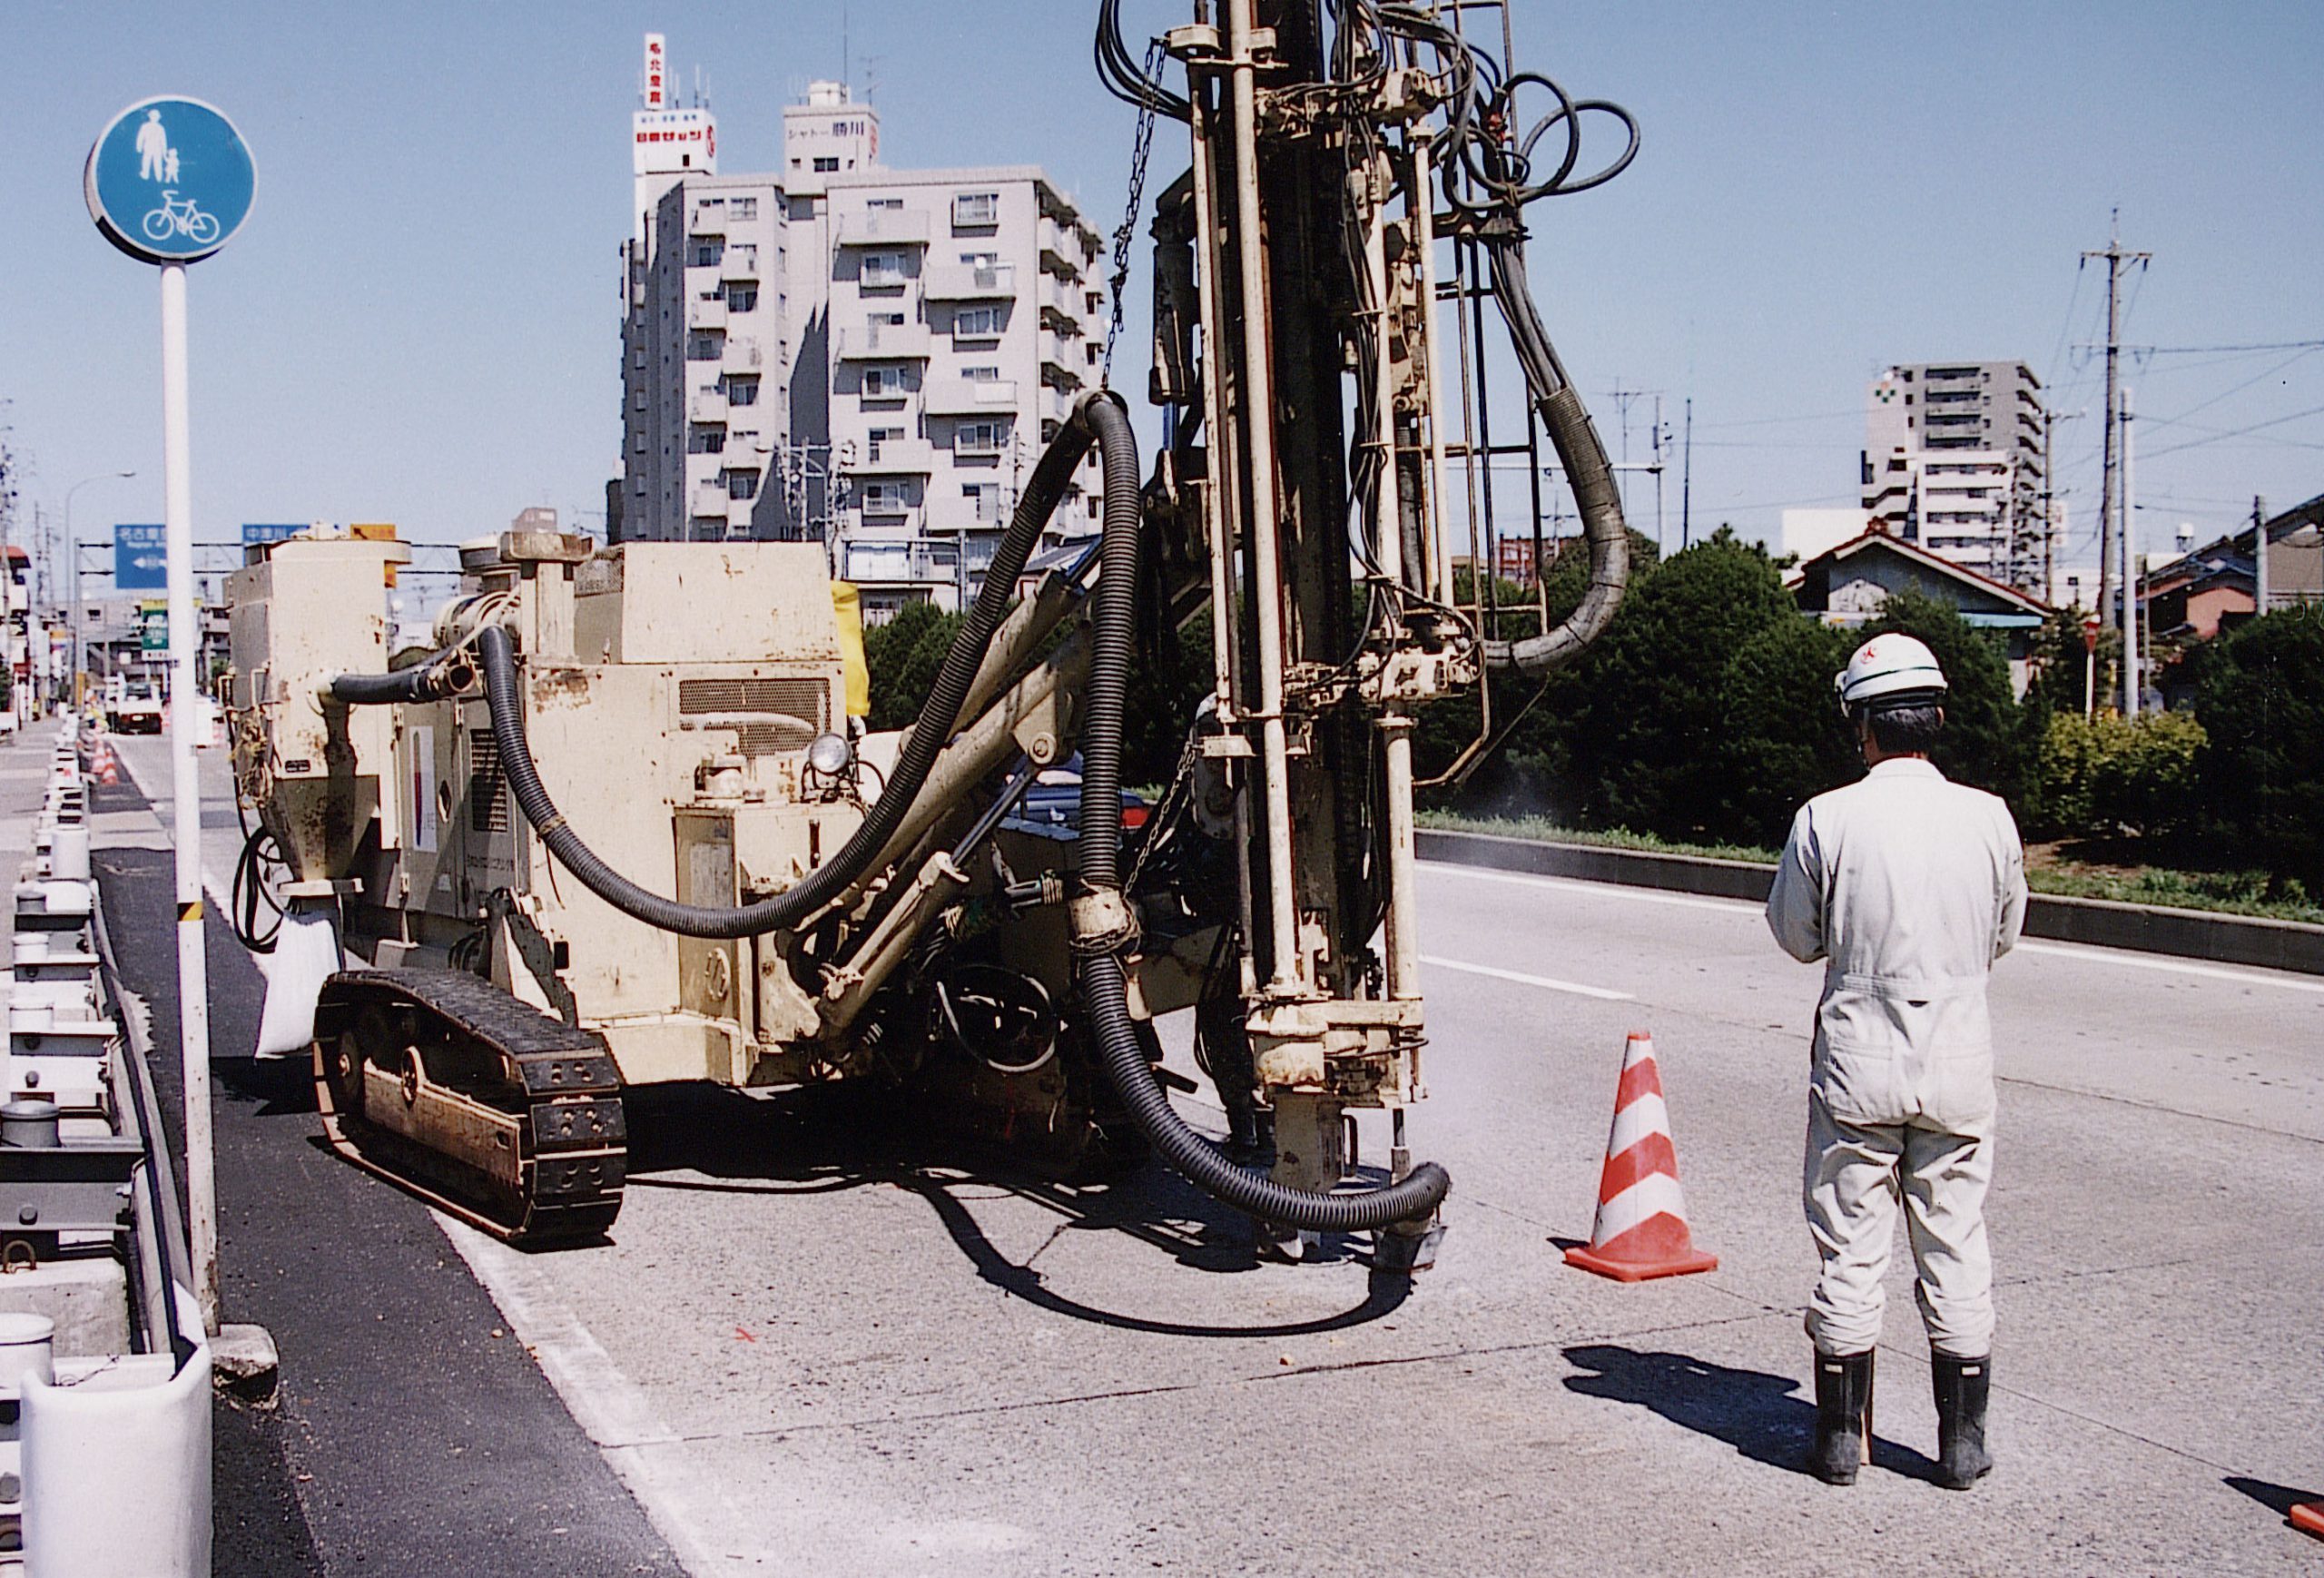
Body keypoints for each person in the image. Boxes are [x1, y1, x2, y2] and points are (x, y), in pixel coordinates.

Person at [1765, 633, 2026, 1491]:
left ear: (1860, 724)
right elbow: (2004, 932)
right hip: (1956, 1057)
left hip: (1858, 1062)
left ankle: (1842, 1444)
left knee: (1850, 1249)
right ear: (1937, 717)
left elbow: (1795, 935)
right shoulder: (1989, 815)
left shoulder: (1826, 817)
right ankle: (1961, 1445)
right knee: (1954, 1242)